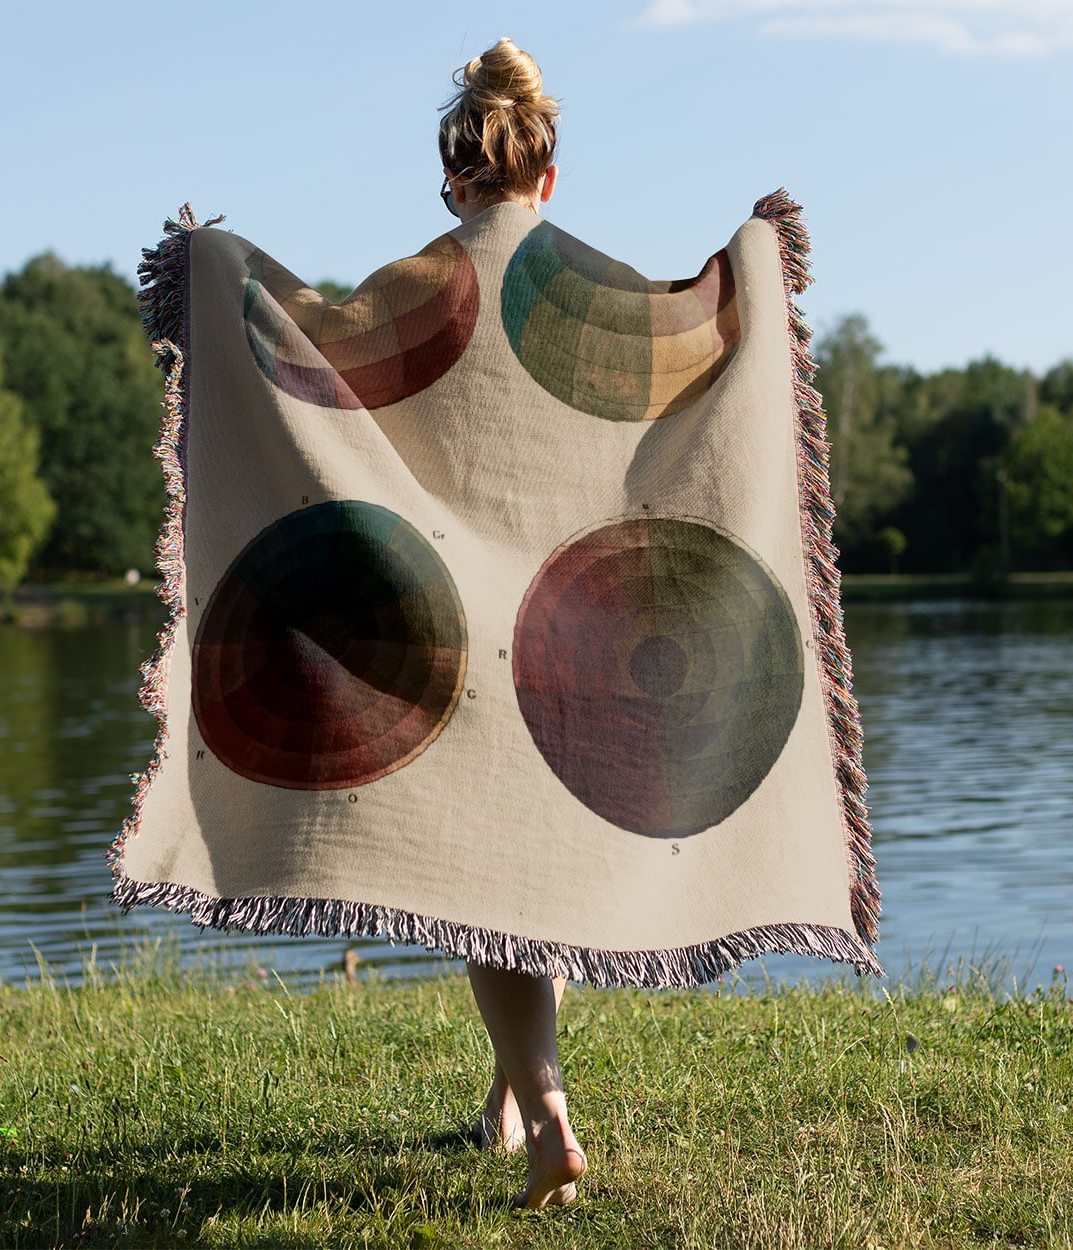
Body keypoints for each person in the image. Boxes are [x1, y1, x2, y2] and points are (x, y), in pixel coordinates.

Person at [436, 37, 587, 1212]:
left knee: (484, 886)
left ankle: (546, 1115)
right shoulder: (592, 295)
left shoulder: (415, 287)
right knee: (527, 871)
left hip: (456, 625)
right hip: (577, 626)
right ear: (546, 175)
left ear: (453, 178)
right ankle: (502, 1100)